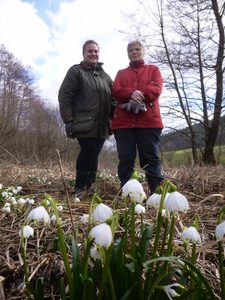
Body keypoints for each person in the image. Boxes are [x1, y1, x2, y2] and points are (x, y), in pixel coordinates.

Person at [58, 40, 116, 195]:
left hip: (103, 124)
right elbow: (65, 95)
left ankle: (90, 186)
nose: (93, 54)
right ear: (83, 53)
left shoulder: (105, 76)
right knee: (88, 149)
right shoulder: (76, 71)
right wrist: (68, 120)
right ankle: (79, 186)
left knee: (95, 153)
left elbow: (114, 98)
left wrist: (115, 119)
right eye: (90, 51)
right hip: (84, 122)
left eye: (96, 51)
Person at [111, 40, 164, 195]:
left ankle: (156, 194)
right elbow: (115, 90)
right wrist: (130, 93)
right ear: (128, 54)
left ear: (143, 52)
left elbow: (156, 88)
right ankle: (127, 193)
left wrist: (137, 94)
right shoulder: (121, 73)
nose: (134, 52)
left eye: (137, 49)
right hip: (123, 124)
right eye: (131, 50)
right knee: (126, 159)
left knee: (151, 159)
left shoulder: (154, 70)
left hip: (149, 122)